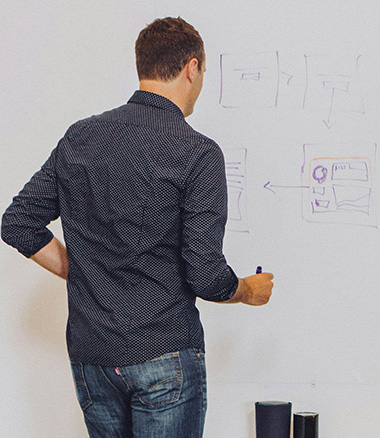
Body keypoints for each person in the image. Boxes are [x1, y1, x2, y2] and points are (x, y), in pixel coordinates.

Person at [0, 17, 274, 438]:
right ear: (192, 68)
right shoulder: (197, 153)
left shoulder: (81, 137)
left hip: (92, 356)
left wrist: (83, 270)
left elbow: (18, 224)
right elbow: (205, 274)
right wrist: (245, 291)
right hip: (162, 350)